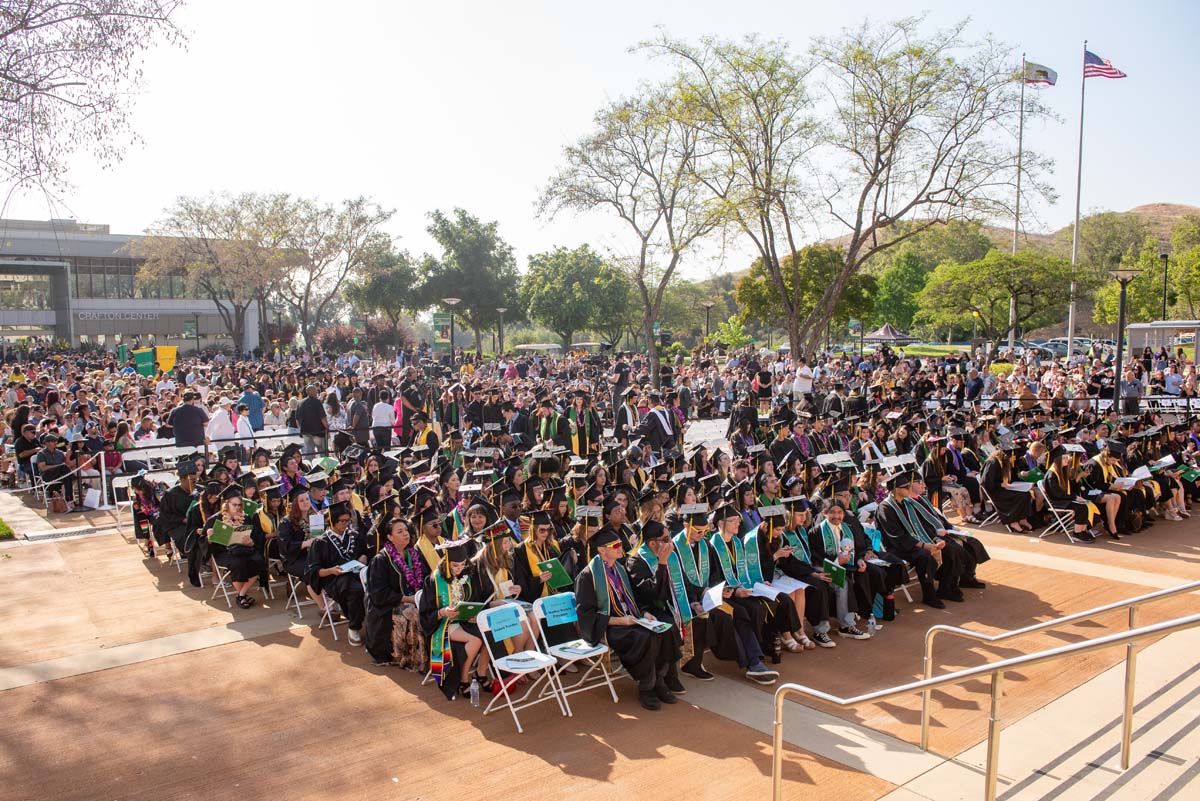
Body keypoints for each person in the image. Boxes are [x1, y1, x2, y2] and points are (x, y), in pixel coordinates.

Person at [575, 527, 678, 710]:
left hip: (632, 618)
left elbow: (635, 598)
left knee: (666, 630)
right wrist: (619, 621)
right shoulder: (588, 576)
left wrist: (644, 613)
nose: (619, 547)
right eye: (614, 545)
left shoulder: (620, 569)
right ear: (601, 550)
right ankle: (647, 687)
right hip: (611, 626)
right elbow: (586, 615)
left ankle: (660, 681)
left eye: (620, 544)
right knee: (646, 638)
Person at [418, 537, 491, 700]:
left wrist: (474, 614)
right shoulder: (433, 581)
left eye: (463, 564)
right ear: (447, 562)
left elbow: (475, 599)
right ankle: (464, 679)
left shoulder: (467, 576)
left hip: (463, 621)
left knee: (490, 634)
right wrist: (442, 612)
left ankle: (481, 672)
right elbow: (425, 613)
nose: (459, 568)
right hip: (443, 624)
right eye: (455, 565)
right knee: (476, 640)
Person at [365, 517, 427, 670]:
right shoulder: (381, 560)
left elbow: (425, 578)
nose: (406, 534)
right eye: (400, 532)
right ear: (390, 537)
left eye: (406, 530)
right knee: (413, 613)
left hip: (414, 599)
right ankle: (411, 658)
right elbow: (379, 594)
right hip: (388, 606)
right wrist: (408, 599)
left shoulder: (413, 554)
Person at [306, 501, 368, 644]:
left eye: (348, 520)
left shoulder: (355, 536)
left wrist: (364, 557)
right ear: (332, 521)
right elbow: (314, 571)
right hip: (334, 579)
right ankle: (354, 627)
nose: (345, 523)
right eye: (342, 521)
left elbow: (364, 552)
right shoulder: (321, 542)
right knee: (356, 591)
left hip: (357, 574)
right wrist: (331, 570)